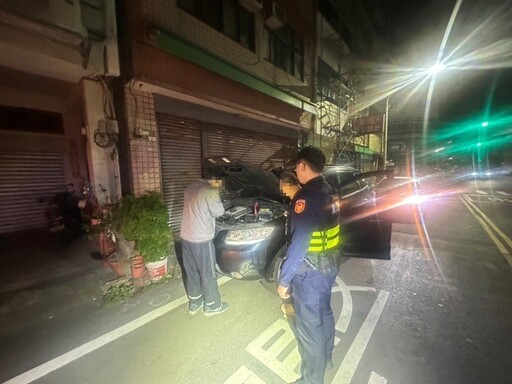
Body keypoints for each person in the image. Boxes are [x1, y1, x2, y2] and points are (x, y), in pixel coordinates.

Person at [278, 146, 341, 384]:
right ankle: (326, 359)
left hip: (310, 273)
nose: (296, 171)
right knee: (324, 314)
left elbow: (299, 245)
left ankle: (312, 380)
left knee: (310, 329)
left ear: (303, 166)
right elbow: (321, 222)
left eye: (297, 166)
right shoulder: (329, 189)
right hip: (329, 265)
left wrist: (284, 280)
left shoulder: (305, 198)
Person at [180, 177, 229, 316]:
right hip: (201, 239)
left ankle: (195, 302)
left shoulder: (190, 188)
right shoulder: (209, 191)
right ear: (216, 183)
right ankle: (212, 305)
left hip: (186, 236)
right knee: (208, 272)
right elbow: (219, 212)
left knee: (192, 271)